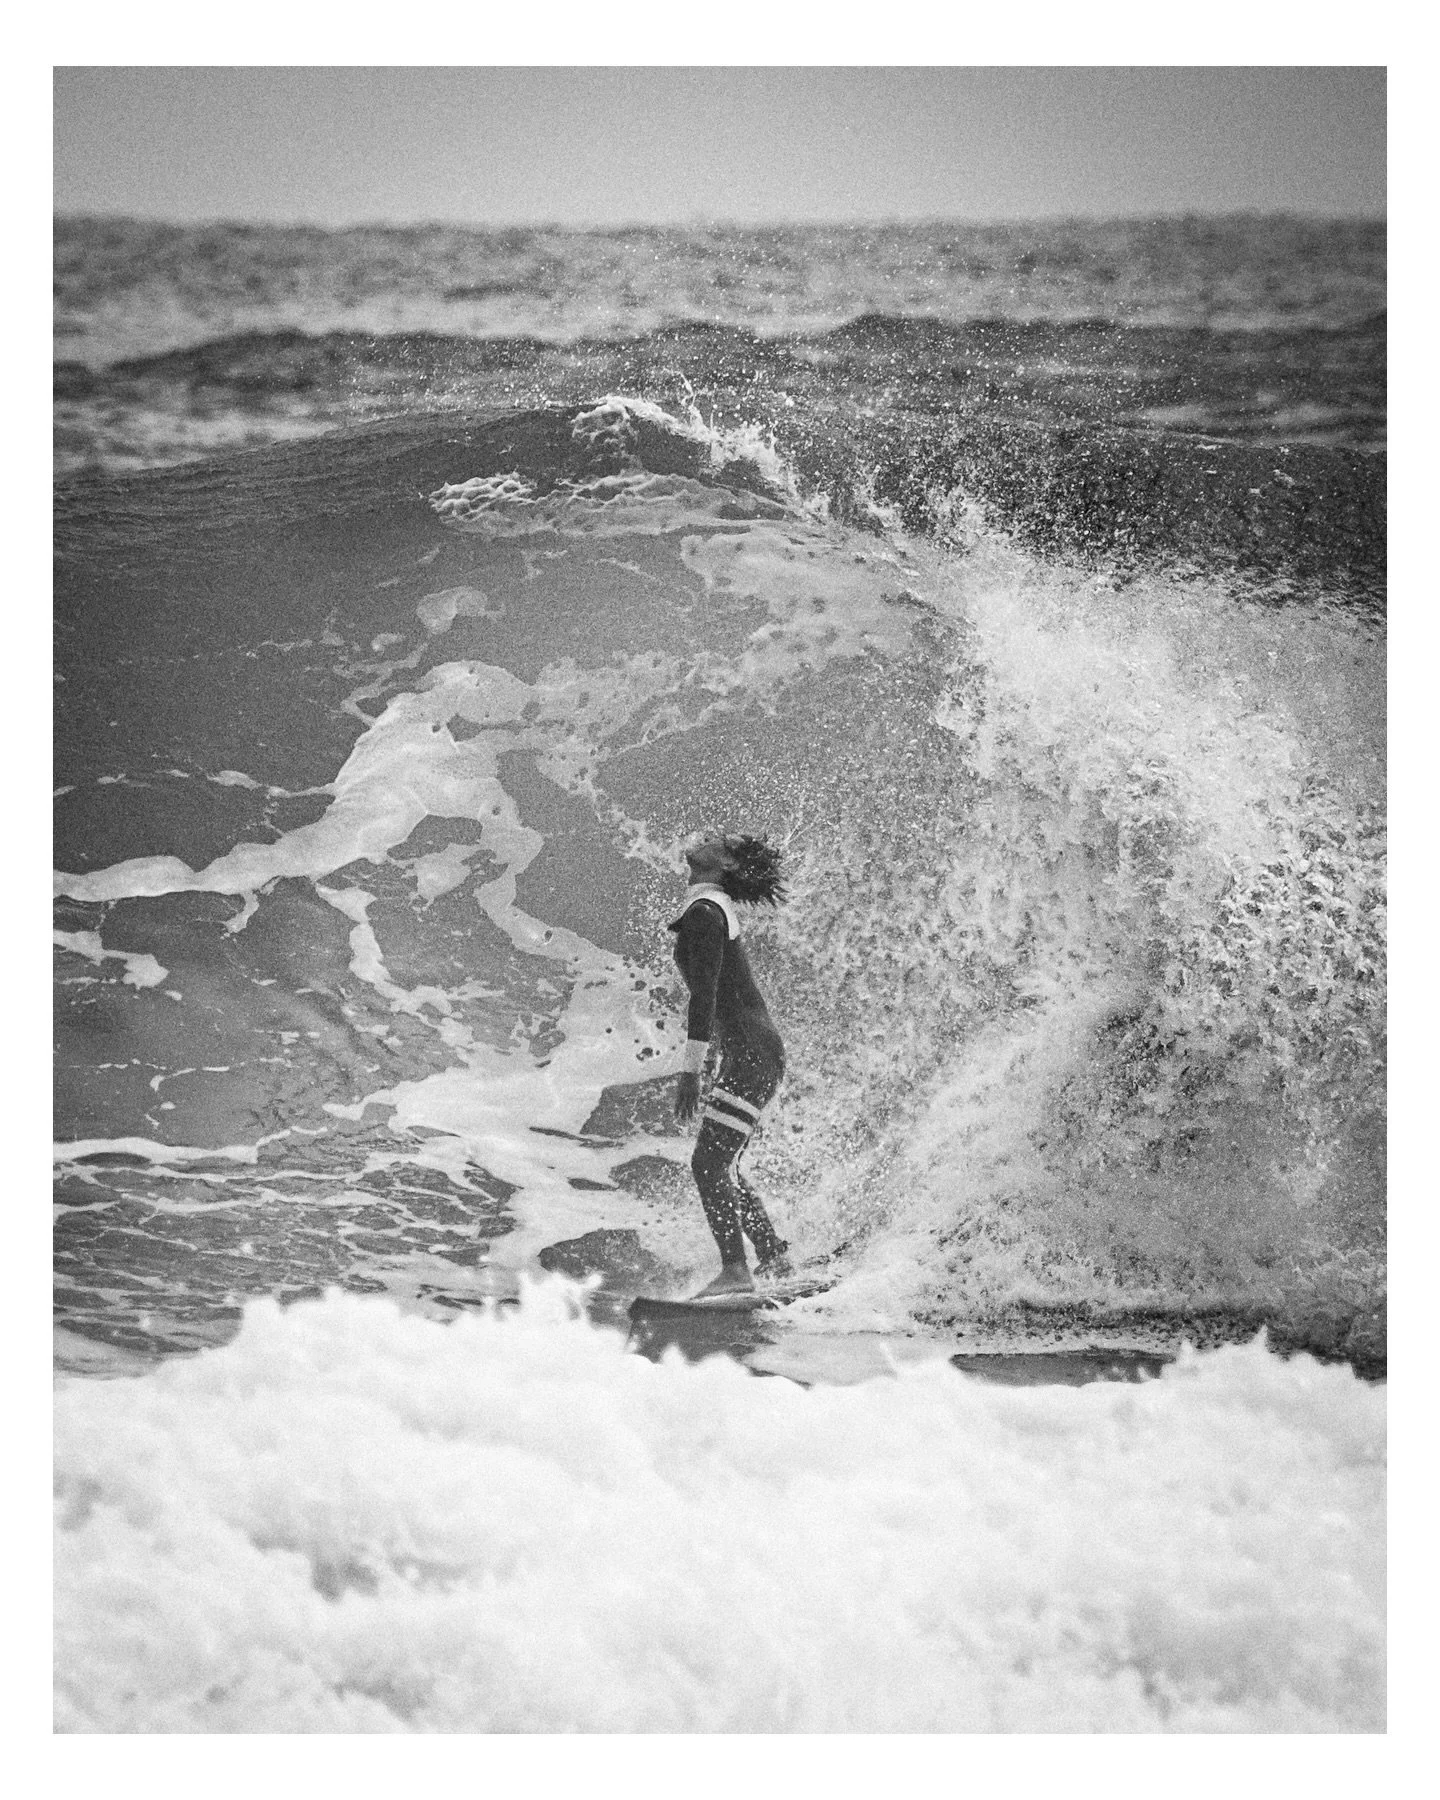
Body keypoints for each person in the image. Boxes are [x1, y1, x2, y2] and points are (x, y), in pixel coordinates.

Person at [670, 829, 792, 1296]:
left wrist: (690, 1071)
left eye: (719, 843)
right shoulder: (707, 910)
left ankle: (736, 1271)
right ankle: (773, 1255)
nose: (706, 838)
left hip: (751, 1054)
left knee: (708, 1164)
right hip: (750, 1052)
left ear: (727, 866)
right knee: (721, 1163)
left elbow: (704, 997)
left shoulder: (705, 913)